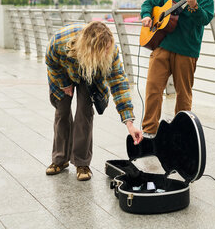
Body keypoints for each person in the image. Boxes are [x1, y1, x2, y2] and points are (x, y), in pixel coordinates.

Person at [45, 21, 143, 179]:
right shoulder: (60, 41)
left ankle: (82, 163)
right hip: (64, 71)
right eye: (103, 50)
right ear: (89, 47)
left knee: (84, 113)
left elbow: (119, 84)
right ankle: (60, 159)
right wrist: (64, 84)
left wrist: (129, 123)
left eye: (108, 49)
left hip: (90, 75)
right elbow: (51, 61)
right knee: (62, 112)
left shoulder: (111, 52)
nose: (106, 53)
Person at [140, 0, 214, 137]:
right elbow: (148, 3)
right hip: (162, 47)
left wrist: (194, 6)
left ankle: (181, 134)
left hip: (186, 51)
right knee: (152, 89)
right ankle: (149, 132)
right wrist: (147, 15)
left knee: (183, 95)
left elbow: (204, 20)